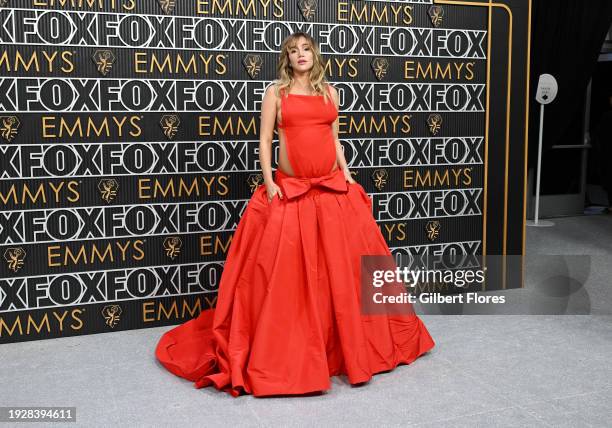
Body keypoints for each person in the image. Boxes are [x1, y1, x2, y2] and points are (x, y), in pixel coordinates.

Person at [155, 32, 435, 397]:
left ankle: (346, 348)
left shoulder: (330, 92)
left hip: (332, 189)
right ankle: (296, 351)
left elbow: (335, 139)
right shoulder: (276, 93)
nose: (299, 55)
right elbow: (265, 140)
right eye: (292, 50)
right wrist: (270, 182)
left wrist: (348, 176)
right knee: (289, 279)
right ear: (286, 58)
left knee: (344, 271)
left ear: (313, 55)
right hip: (292, 191)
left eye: (305, 49)